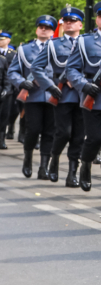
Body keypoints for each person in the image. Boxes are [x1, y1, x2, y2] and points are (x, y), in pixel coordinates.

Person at [66, 1, 101, 195]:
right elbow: (71, 68)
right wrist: (83, 85)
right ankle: (86, 165)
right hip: (94, 94)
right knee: (95, 138)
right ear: (97, 19)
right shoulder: (84, 41)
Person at [32, 6, 86, 185]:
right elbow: (36, 68)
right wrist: (50, 86)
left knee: (79, 136)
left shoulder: (88, 42)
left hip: (84, 94)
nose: (68, 24)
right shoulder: (53, 44)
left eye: (72, 21)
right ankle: (54, 159)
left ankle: (72, 173)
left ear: (80, 24)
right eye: (66, 21)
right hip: (62, 94)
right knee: (63, 132)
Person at [9, 15, 59, 180]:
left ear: (53, 31)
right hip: (33, 95)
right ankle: (28, 158)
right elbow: (13, 72)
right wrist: (22, 82)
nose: (43, 30)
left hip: (53, 96)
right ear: (37, 29)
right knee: (34, 129)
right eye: (41, 27)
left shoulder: (59, 48)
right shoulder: (25, 50)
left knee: (49, 132)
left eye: (48, 28)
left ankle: (43, 167)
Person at [0, 30, 14, 149]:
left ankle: (1, 139)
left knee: (5, 115)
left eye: (3, 39)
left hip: (7, 90)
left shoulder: (12, 55)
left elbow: (8, 75)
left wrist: (7, 88)